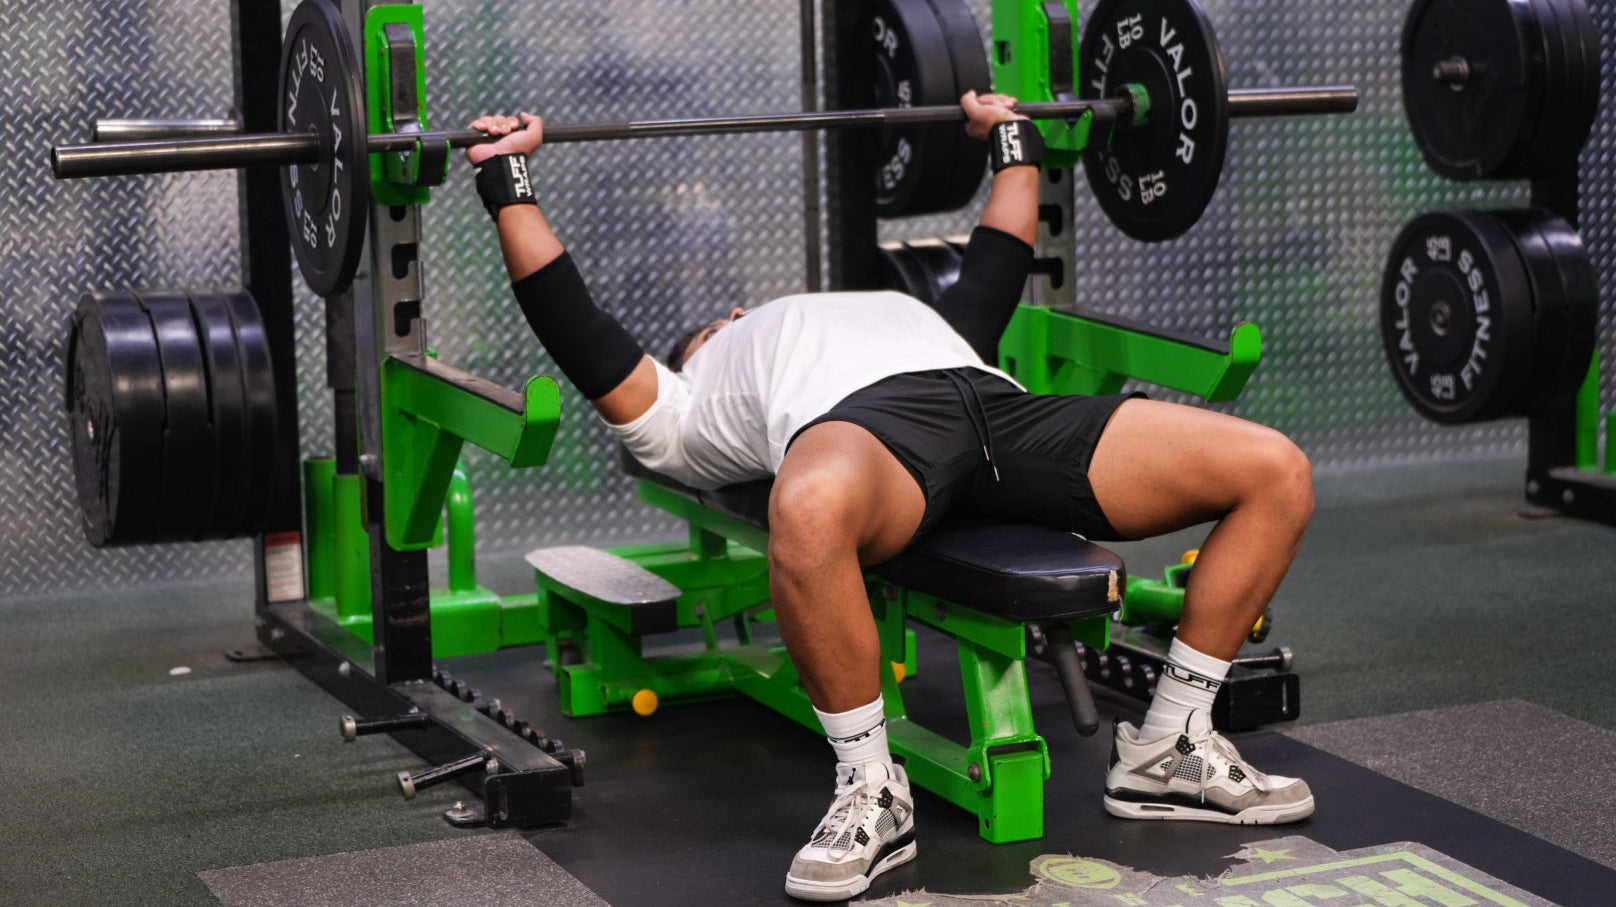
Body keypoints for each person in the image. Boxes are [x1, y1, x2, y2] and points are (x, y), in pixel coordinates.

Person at [466, 92, 1316, 903]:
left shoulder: (920, 316)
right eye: (713, 325)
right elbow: (574, 319)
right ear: (704, 342)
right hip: (868, 433)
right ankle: (873, 789)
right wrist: (508, 180)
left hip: (997, 404)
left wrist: (1007, 136)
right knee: (801, 509)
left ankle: (1168, 744)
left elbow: (995, 257)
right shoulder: (686, 398)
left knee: (1275, 467)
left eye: (727, 314)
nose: (729, 313)